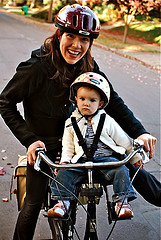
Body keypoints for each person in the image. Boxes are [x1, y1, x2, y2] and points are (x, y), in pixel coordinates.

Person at [0, 3, 159, 240]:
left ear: (91, 42)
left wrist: (140, 133)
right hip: (45, 148)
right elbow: (5, 102)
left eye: (84, 40)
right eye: (71, 36)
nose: (77, 46)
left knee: (132, 167)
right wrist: (30, 140)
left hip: (85, 144)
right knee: (32, 205)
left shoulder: (88, 67)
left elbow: (112, 100)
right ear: (59, 35)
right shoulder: (35, 68)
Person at [47, 72, 141, 219]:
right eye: (82, 99)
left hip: (105, 161)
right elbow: (68, 146)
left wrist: (135, 157)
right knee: (64, 173)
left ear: (100, 104)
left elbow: (123, 140)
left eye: (92, 100)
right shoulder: (70, 123)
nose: (86, 103)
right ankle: (62, 203)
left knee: (121, 170)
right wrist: (65, 162)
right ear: (76, 100)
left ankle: (121, 203)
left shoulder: (107, 120)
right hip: (80, 162)